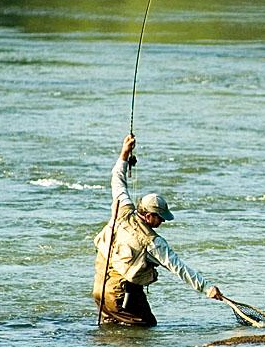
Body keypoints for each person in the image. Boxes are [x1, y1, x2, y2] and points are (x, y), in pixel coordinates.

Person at [92, 135, 223, 326]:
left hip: (100, 291)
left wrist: (124, 152)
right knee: (145, 328)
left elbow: (117, 178)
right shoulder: (153, 243)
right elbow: (179, 268)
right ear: (147, 216)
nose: (162, 221)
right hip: (119, 296)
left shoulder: (123, 209)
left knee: (111, 330)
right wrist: (207, 289)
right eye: (159, 217)